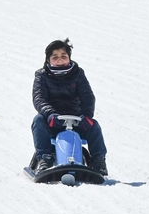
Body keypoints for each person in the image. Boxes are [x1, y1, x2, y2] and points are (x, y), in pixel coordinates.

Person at [32, 39, 108, 175]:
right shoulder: (42, 75)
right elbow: (39, 98)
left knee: (94, 126)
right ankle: (45, 158)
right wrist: (50, 114)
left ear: (69, 58)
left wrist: (87, 115)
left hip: (77, 120)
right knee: (38, 121)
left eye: (63, 56)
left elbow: (87, 96)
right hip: (52, 121)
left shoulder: (77, 73)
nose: (60, 60)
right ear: (48, 60)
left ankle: (98, 161)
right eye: (55, 57)